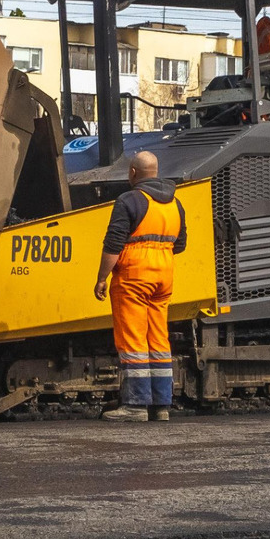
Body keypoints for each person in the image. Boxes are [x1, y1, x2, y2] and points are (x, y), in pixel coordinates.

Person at [93, 149, 191, 421]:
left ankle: (135, 406)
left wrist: (102, 277)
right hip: (164, 274)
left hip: (135, 275)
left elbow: (113, 244)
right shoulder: (175, 203)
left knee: (133, 339)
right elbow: (180, 244)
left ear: (133, 173)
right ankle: (161, 406)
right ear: (156, 172)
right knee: (158, 338)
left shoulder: (129, 200)